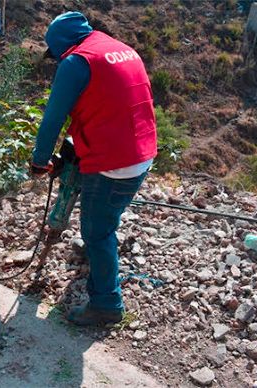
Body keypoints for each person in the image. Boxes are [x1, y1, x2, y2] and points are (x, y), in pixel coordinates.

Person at [31, 12, 158, 326]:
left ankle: (106, 303)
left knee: (97, 231)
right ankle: (98, 261)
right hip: (142, 153)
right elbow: (104, 107)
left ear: (61, 45)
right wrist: (69, 152)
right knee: (105, 218)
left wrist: (39, 160)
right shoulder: (120, 49)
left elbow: (53, 119)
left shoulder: (75, 63)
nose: (58, 60)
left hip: (114, 163)